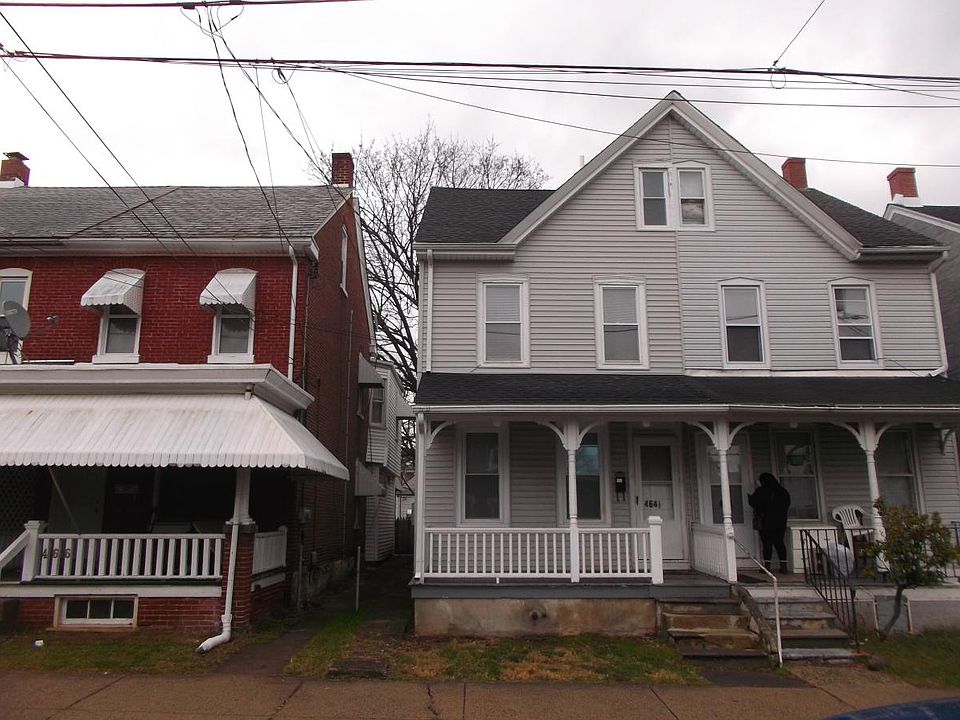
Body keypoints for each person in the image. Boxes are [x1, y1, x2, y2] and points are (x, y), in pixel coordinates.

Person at [748, 472, 791, 573]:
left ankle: (767, 567)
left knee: (767, 544)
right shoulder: (782, 491)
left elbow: (753, 502)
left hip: (766, 522)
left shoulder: (761, 491)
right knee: (780, 544)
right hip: (780, 522)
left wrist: (750, 496)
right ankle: (784, 566)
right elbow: (787, 504)